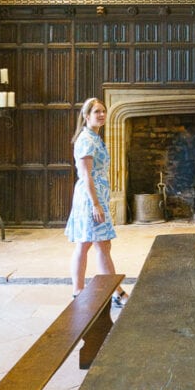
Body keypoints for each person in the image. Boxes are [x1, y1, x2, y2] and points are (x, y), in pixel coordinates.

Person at [65, 97, 127, 305]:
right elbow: (86, 176)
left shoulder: (95, 137)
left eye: (103, 111)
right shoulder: (86, 140)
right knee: (86, 245)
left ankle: (114, 292)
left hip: (97, 196)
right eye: (96, 112)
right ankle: (80, 291)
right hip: (89, 199)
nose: (101, 115)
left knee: (101, 245)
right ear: (86, 115)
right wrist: (96, 204)